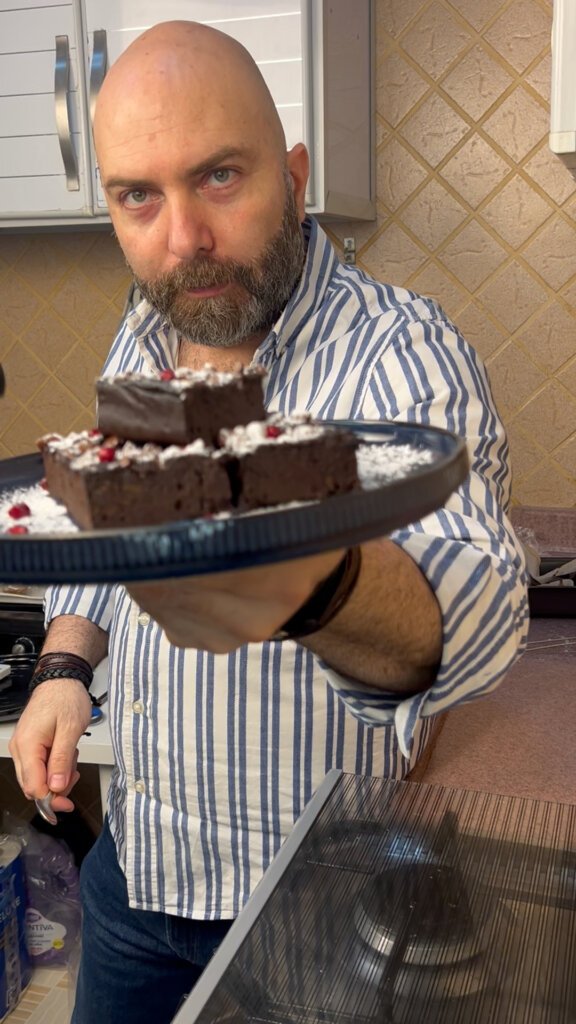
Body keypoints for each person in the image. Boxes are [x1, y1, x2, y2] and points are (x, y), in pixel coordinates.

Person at [9, 19, 528, 1024]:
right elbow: (110, 527)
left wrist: (303, 569)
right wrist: (66, 665)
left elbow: (470, 620)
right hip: (138, 873)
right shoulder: (149, 327)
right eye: (139, 196)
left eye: (219, 177)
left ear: (293, 177)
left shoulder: (401, 355)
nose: (183, 239)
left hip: (312, 906)